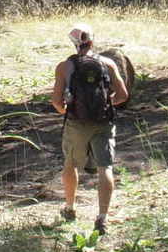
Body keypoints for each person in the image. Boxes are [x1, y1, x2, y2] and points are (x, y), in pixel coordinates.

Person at [51, 24, 128, 234]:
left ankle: (70, 208)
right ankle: (102, 218)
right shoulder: (108, 64)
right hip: (104, 122)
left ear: (74, 43)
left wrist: (69, 109)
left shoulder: (64, 67)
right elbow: (123, 96)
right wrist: (106, 104)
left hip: (76, 123)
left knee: (70, 165)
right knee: (105, 167)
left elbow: (56, 101)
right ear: (92, 42)